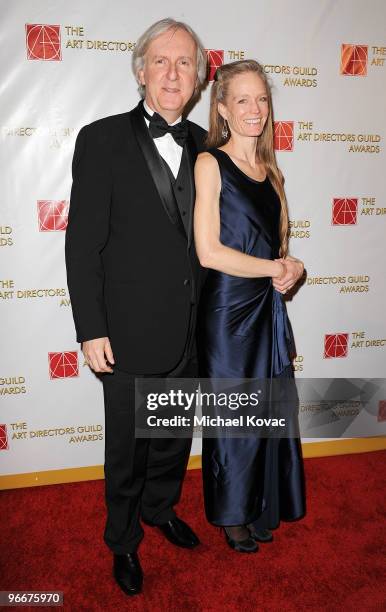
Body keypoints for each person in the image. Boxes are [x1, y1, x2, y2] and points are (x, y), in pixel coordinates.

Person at [65, 19, 207, 596]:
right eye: (161, 61)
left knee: (173, 436)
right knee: (126, 449)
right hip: (124, 331)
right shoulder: (99, 139)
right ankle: (123, 541)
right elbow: (82, 245)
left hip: (192, 327)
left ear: (198, 78)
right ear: (140, 70)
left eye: (185, 64)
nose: (173, 73)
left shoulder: (208, 147)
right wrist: (90, 328)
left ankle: (160, 509)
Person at [194, 60, 306, 553]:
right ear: (222, 108)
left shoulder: (271, 170)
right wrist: (273, 270)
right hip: (227, 312)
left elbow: (272, 250)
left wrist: (290, 268)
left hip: (265, 306)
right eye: (243, 99)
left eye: (261, 99)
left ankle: (262, 503)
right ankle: (231, 513)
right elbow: (209, 252)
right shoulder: (209, 163)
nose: (255, 109)